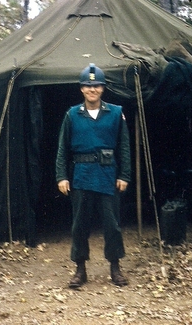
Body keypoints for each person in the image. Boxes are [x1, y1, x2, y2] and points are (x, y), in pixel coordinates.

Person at [55, 63, 131, 288]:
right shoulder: (72, 115)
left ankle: (115, 268)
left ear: (103, 88)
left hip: (108, 175)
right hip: (81, 176)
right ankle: (80, 270)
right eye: (88, 86)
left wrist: (124, 175)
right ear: (81, 89)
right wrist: (61, 176)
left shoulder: (116, 113)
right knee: (80, 225)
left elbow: (124, 146)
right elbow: (62, 148)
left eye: (96, 85)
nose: (92, 90)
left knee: (112, 225)